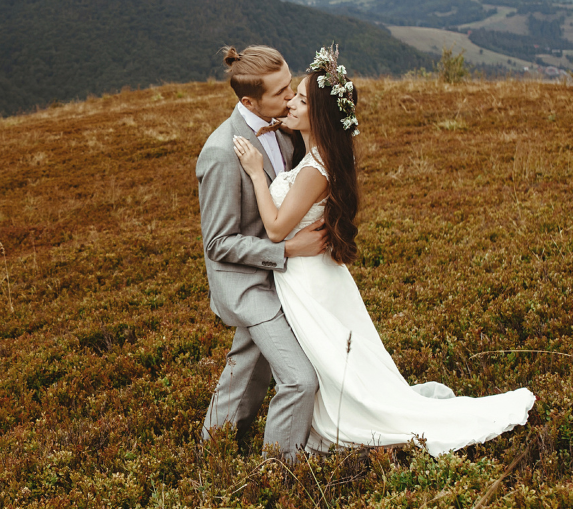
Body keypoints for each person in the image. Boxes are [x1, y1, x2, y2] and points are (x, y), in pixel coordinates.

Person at [230, 45, 535, 456]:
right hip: (313, 273)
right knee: (333, 358)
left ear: (318, 114)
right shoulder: (315, 154)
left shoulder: (315, 167)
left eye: (300, 99)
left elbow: (275, 227)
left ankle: (326, 429)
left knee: (332, 360)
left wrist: (254, 173)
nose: (290, 103)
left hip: (306, 278)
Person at [197, 45, 327, 461]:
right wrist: (288, 249)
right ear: (248, 101)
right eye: (281, 93)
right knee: (299, 378)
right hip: (247, 284)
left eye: (291, 86)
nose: (291, 98)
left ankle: (213, 447)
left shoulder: (285, 127)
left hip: (282, 275)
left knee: (249, 361)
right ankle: (277, 472)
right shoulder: (220, 153)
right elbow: (217, 243)